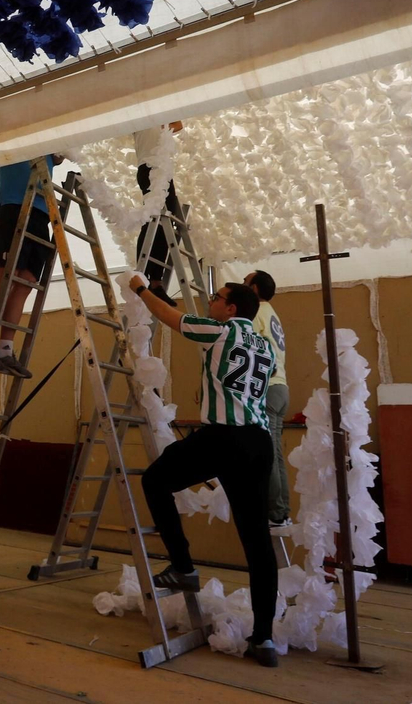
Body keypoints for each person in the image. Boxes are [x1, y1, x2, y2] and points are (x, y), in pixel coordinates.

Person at [129, 274, 281, 668]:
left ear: (231, 309)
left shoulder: (218, 330)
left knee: (154, 480)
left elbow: (171, 317)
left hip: (223, 438)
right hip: (259, 442)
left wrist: (142, 291)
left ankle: (182, 565)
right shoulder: (265, 346)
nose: (211, 301)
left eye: (217, 298)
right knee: (256, 540)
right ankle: (263, 638)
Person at [0, 156, 59, 379]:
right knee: (8, 277)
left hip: (40, 212)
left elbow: (58, 158)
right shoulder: (15, 124)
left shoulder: (48, 138)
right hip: (13, 207)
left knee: (27, 282)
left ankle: (5, 349)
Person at [245, 270, 290, 529]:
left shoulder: (257, 313)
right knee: (275, 452)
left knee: (268, 454)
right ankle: (281, 510)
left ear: (254, 289)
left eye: (244, 283)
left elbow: (248, 346)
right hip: (281, 387)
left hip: (268, 388)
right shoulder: (272, 313)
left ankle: (275, 512)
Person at [133, 122, 185, 304]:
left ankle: (155, 281)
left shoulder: (158, 116)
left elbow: (178, 125)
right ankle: (144, 276)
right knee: (151, 220)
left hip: (162, 169)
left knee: (164, 223)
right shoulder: (136, 114)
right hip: (149, 167)